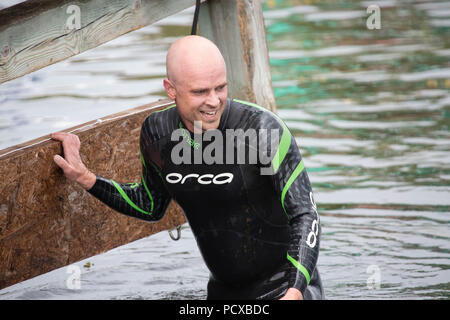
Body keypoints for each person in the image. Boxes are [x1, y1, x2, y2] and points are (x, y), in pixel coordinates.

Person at [51, 35, 324, 300]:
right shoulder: (158, 133)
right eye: (200, 92)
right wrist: (85, 177)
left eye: (220, 88)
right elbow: (149, 206)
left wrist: (296, 290)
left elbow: (305, 214)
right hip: (222, 294)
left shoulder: (261, 130)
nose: (214, 101)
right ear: (171, 89)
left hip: (286, 290)